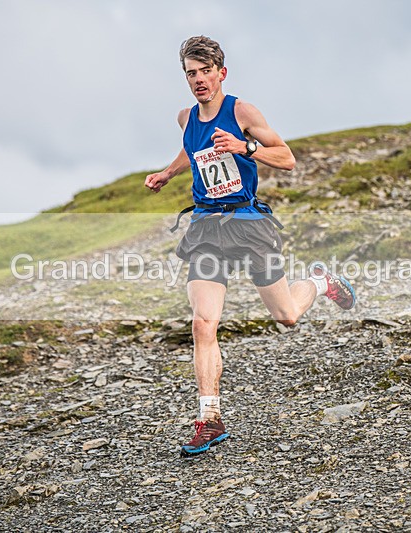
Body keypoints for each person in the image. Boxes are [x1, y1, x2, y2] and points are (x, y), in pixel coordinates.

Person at [144, 36, 356, 456]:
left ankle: (318, 281)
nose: (199, 80)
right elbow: (194, 150)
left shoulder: (242, 111)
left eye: (206, 72)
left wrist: (246, 147)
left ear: (221, 73)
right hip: (206, 227)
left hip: (248, 223)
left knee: (287, 316)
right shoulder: (186, 117)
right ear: (185, 78)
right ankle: (209, 419)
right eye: (191, 73)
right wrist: (168, 173)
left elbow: (288, 157)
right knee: (203, 323)